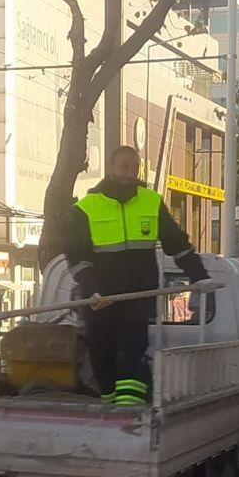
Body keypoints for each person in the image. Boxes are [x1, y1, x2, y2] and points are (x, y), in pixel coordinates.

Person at [57, 144, 208, 406]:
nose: (129, 173)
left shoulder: (150, 202)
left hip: (138, 297)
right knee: (102, 357)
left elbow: (177, 244)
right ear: (111, 168)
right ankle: (110, 405)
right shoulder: (86, 208)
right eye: (124, 167)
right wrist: (92, 287)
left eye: (134, 167)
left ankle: (128, 412)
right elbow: (76, 254)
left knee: (130, 355)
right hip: (100, 299)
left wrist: (200, 275)